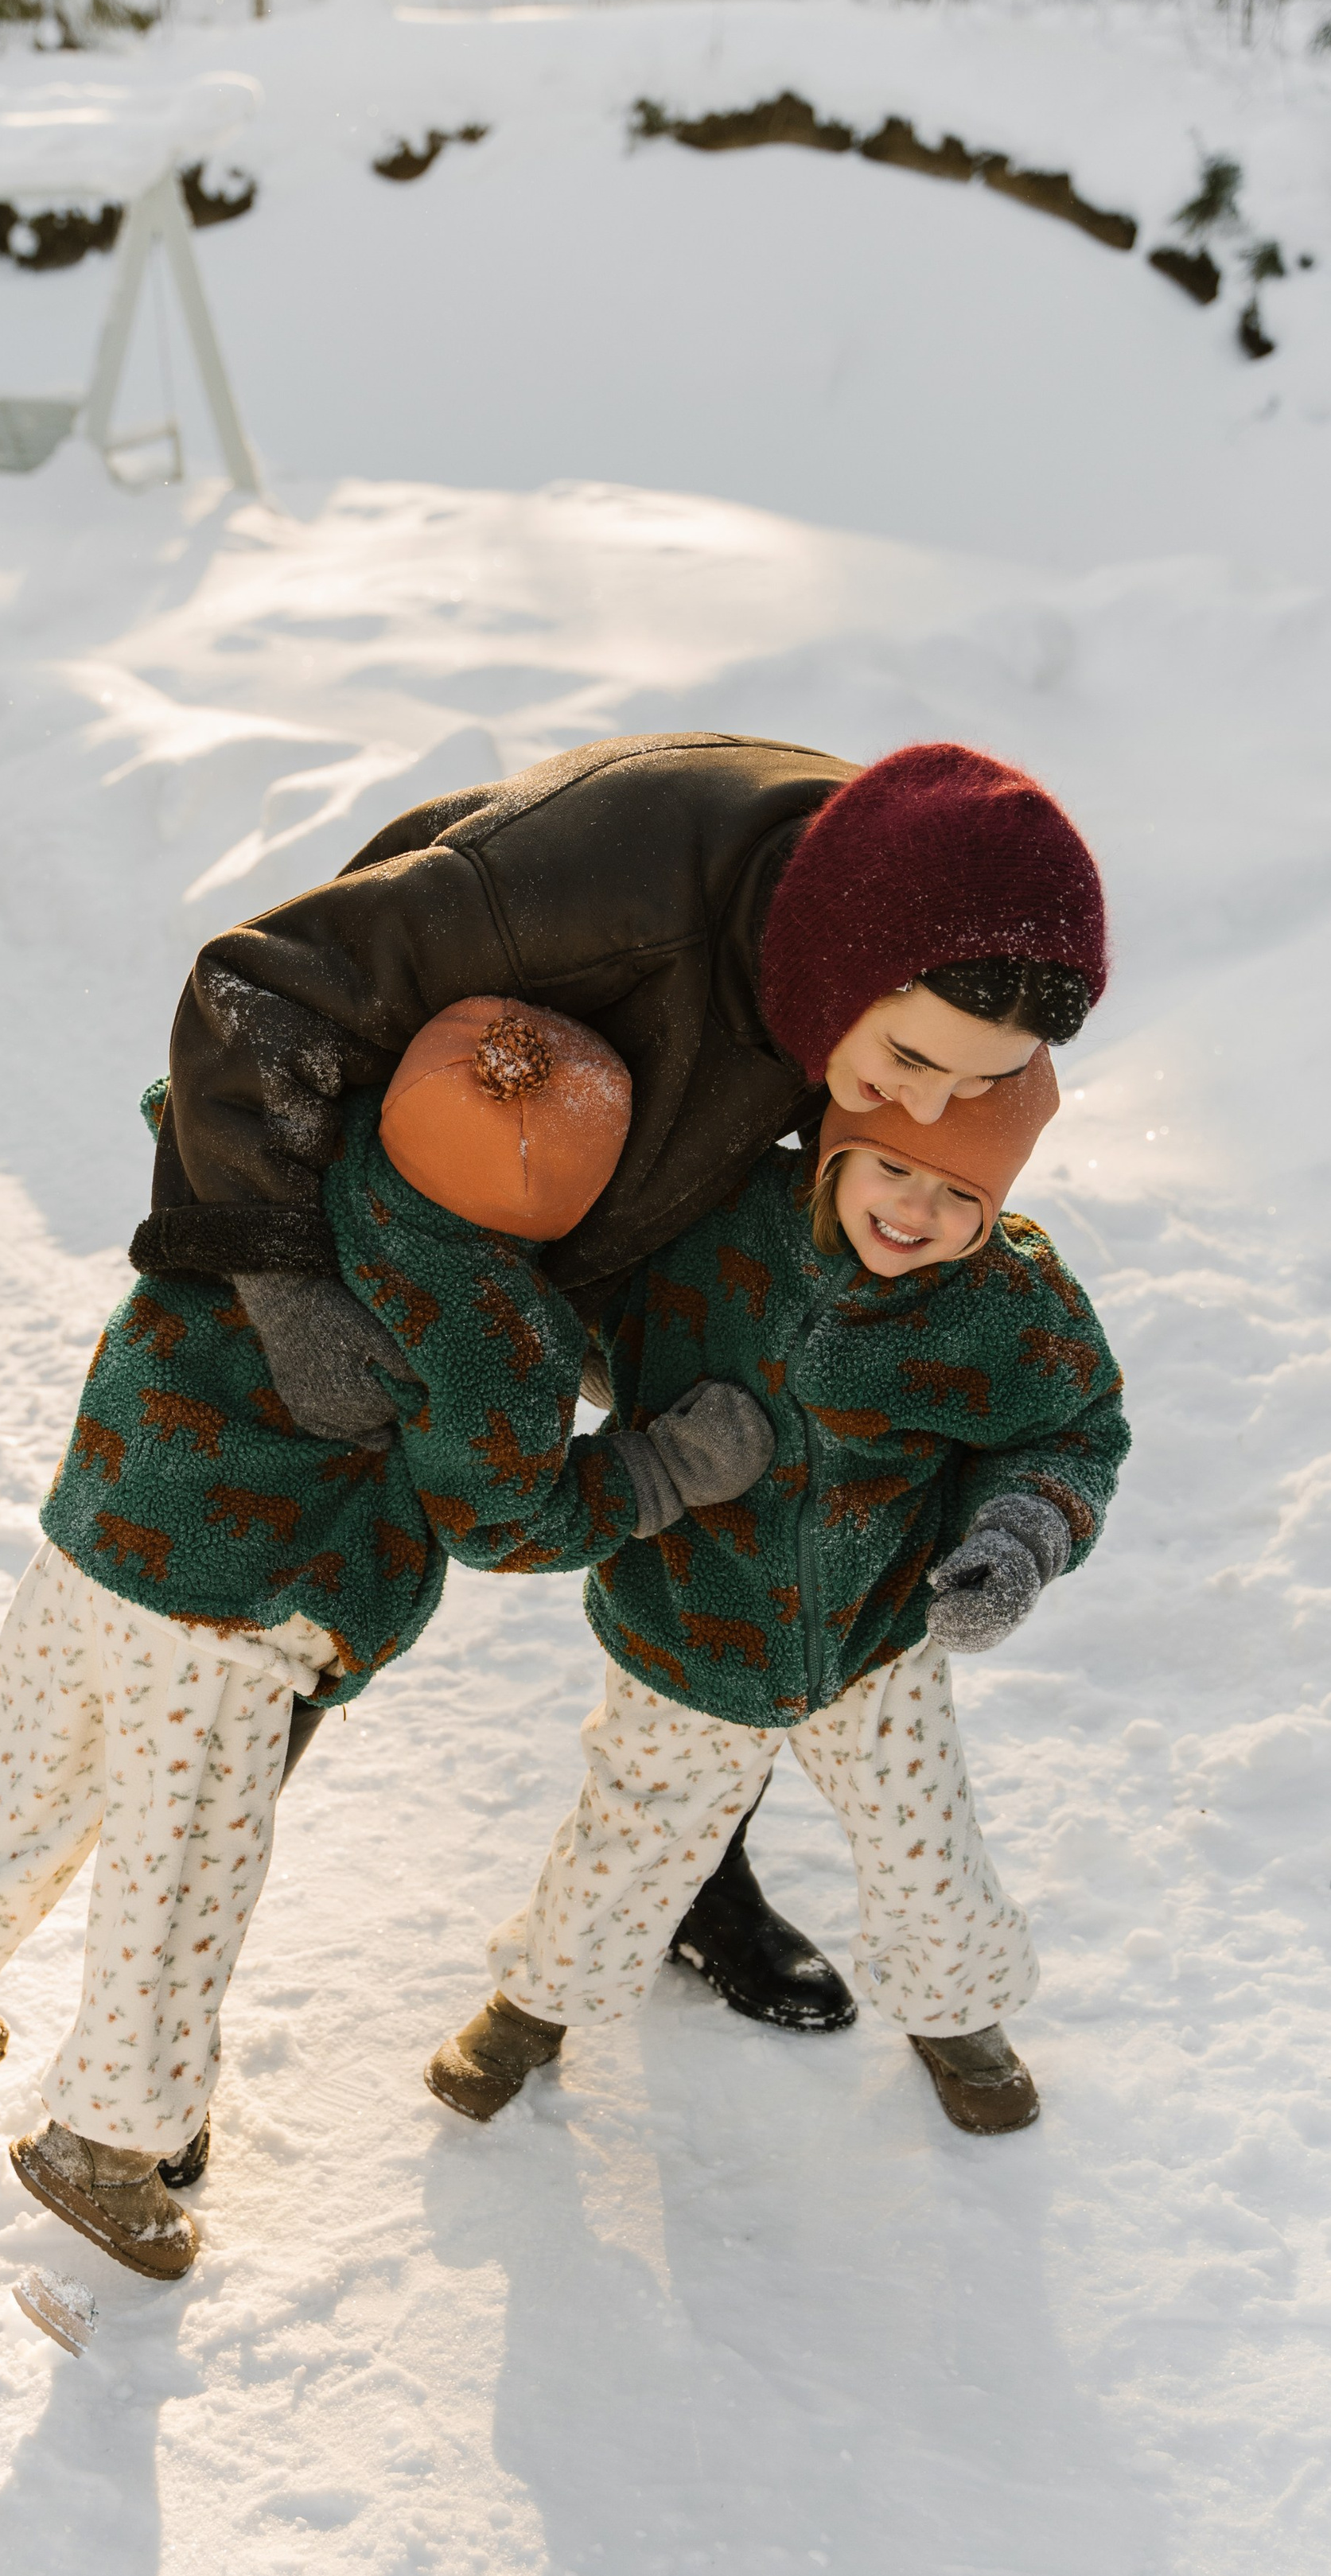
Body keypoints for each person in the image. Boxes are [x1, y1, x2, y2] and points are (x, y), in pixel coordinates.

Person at [137, 734, 1111, 2033]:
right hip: (342, 1244)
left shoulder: (903, 942)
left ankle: (697, 1883)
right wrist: (284, 1281)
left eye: (982, 1081)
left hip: (559, 1254)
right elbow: (252, 992)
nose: (933, 1110)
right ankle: (134, 2044)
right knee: (254, 1642)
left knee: (749, 1526)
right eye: (916, 1065)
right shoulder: (589, 888)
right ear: (847, 962)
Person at [0, 1006, 773, 2281]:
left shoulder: (290, 1157)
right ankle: (106, 2146)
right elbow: (503, 1514)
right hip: (234, 1616)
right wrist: (662, 1472)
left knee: (25, 1761)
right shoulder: (489, 1323)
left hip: (101, 1527)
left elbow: (176, 1109)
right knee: (181, 1885)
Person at [424, 1039, 1129, 2138]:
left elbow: (1073, 1429)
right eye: (892, 1166)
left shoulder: (1006, 1305)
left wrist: (1021, 1533)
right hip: (686, 1620)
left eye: (962, 1195)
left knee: (925, 1842)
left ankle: (957, 2013)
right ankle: (535, 2007)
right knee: (630, 1833)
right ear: (835, 1149)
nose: (917, 1209)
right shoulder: (716, 1223)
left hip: (875, 1635)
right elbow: (578, 1282)